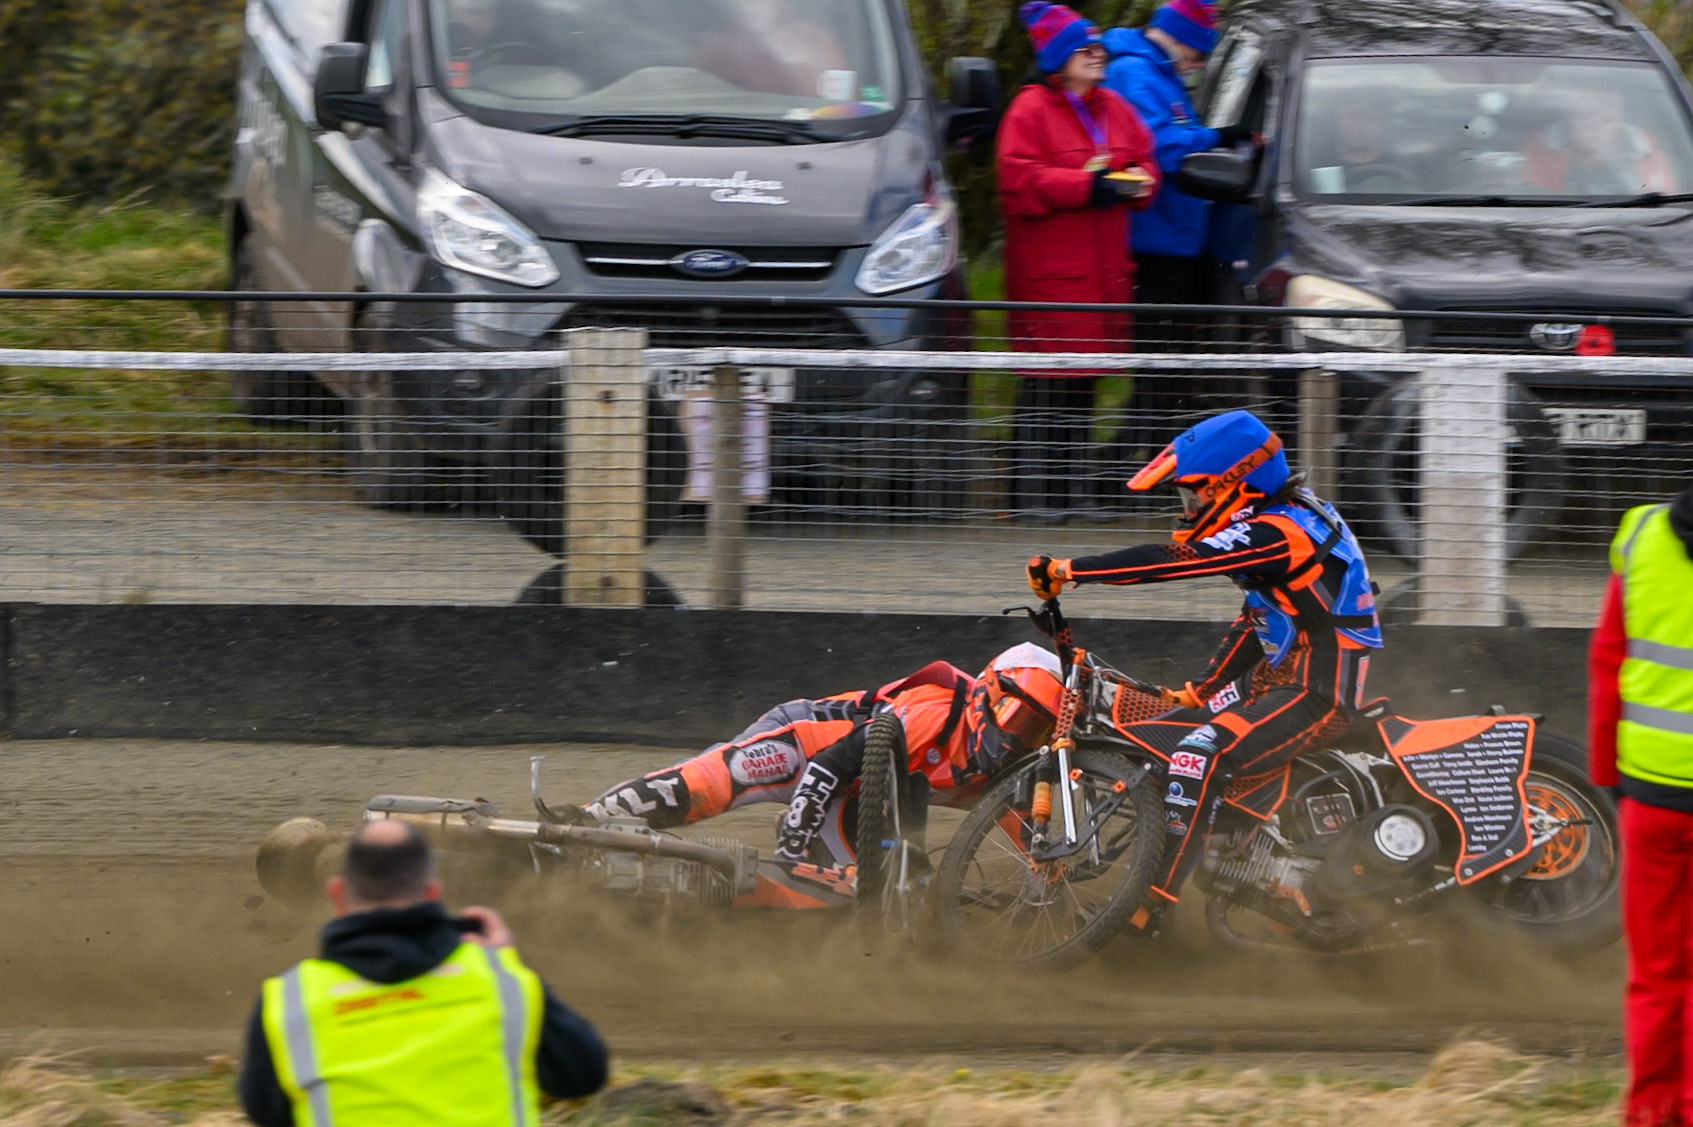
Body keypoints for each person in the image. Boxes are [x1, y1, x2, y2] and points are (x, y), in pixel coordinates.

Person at [1025, 408, 1383, 910]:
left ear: (1236, 484)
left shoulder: (1278, 533)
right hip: (1276, 677)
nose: (1188, 509)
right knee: (1164, 731)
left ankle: (1149, 905)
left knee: (1197, 756)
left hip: (1315, 691)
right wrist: (1206, 687)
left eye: (1196, 495)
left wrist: (1070, 569)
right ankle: (1234, 847)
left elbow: (1176, 562)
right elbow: (1263, 614)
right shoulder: (1280, 521)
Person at [239, 820, 607, 1127]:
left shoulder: (289, 1001)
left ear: (336, 894)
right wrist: (508, 966)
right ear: (433, 890)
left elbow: (265, 1110)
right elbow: (583, 1074)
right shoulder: (500, 983)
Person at [583, 645, 1066, 865]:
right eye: (1020, 719)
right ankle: (579, 823)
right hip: (809, 740)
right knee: (707, 784)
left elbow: (1034, 846)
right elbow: (829, 765)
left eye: (1038, 728)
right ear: (988, 697)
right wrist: (792, 844)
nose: (1022, 738)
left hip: (856, 790)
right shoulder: (937, 711)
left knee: (852, 890)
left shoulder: (1015, 770)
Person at [997, 2, 1159, 524]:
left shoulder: (1113, 104)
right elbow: (1018, 181)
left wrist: (1136, 181)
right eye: (1084, 48)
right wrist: (1088, 185)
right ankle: (1031, 498)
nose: (1097, 55)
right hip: (1052, 277)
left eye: (1098, 47)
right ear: (1057, 58)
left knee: (1084, 386)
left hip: (1102, 275)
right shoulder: (1028, 109)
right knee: (1046, 384)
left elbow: (1144, 158)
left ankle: (1072, 494)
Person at [1588, 484, 1693, 1127]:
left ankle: (1655, 1112)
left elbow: (1608, 659)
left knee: (1657, 971)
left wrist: (1608, 772)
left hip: (1651, 793)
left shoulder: (1642, 534)